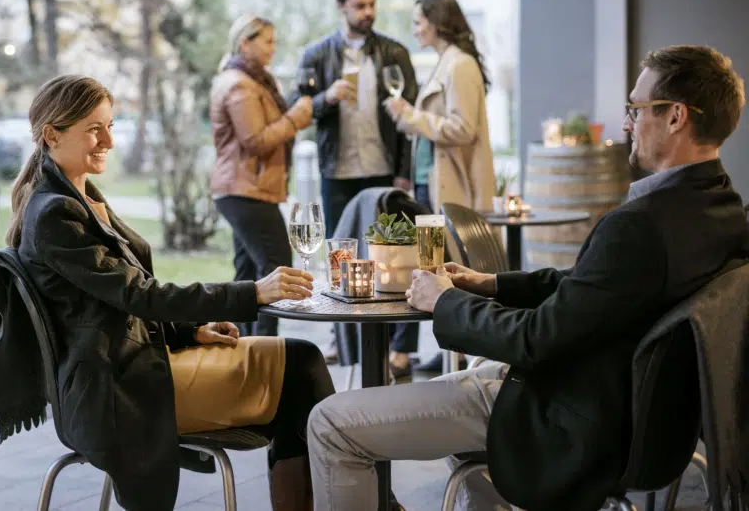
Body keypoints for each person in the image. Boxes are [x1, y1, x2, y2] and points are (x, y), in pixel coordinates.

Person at [307, 45, 749, 511]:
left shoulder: (640, 227)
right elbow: (595, 289)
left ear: (676, 116)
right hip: (639, 424)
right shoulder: (721, 210)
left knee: (329, 423)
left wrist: (443, 301)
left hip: (566, 419)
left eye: (634, 109)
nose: (625, 124)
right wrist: (492, 284)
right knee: (476, 373)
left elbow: (534, 340)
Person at [9, 75, 336, 511]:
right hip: (119, 388)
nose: (108, 139)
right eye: (94, 129)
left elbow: (115, 299)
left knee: (299, 370)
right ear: (52, 134)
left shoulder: (77, 198)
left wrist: (188, 331)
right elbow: (140, 294)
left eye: (110, 125)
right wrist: (251, 293)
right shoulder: (54, 214)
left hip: (135, 363)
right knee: (300, 368)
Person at [297, 0, 419, 363]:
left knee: (396, 257)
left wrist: (404, 172)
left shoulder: (394, 52)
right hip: (338, 172)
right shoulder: (316, 54)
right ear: (341, 7)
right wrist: (325, 99)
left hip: (384, 171)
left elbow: (407, 122)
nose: (367, 13)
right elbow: (298, 107)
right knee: (341, 258)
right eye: (359, 6)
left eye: (371, 5)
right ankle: (344, 339)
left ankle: (400, 347)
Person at [383, 0, 496, 378]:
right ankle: (453, 350)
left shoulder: (460, 65)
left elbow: (461, 130)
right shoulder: (447, 63)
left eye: (418, 22)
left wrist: (409, 115)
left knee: (454, 268)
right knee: (441, 265)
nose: (415, 29)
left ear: (437, 22)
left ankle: (462, 356)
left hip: (453, 185)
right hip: (434, 181)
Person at [210, 14, 314, 337]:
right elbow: (254, 141)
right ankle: (266, 353)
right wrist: (296, 119)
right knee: (276, 269)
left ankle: (242, 350)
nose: (273, 47)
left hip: (243, 189)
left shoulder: (250, 80)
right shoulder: (240, 85)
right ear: (245, 43)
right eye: (267, 41)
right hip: (245, 190)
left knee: (249, 274)